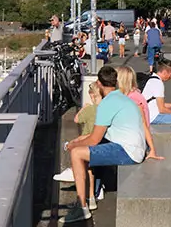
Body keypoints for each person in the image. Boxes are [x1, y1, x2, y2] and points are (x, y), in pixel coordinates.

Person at [59, 65, 151, 223]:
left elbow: (94, 140)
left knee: (77, 154)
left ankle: (81, 208)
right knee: (85, 147)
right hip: (134, 147)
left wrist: (73, 146)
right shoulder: (121, 98)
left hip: (127, 151)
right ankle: (90, 197)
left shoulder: (107, 104)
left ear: (99, 84)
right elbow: (97, 135)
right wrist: (77, 140)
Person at [53, 80, 103, 209]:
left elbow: (76, 119)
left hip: (87, 142)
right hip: (99, 144)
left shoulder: (90, 109)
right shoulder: (104, 109)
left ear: (92, 96)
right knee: (91, 171)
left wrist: (83, 109)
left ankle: (81, 200)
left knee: (81, 167)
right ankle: (91, 197)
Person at [115, 66, 161, 159]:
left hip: (132, 144)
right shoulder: (133, 94)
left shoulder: (133, 99)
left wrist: (152, 149)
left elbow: (143, 124)